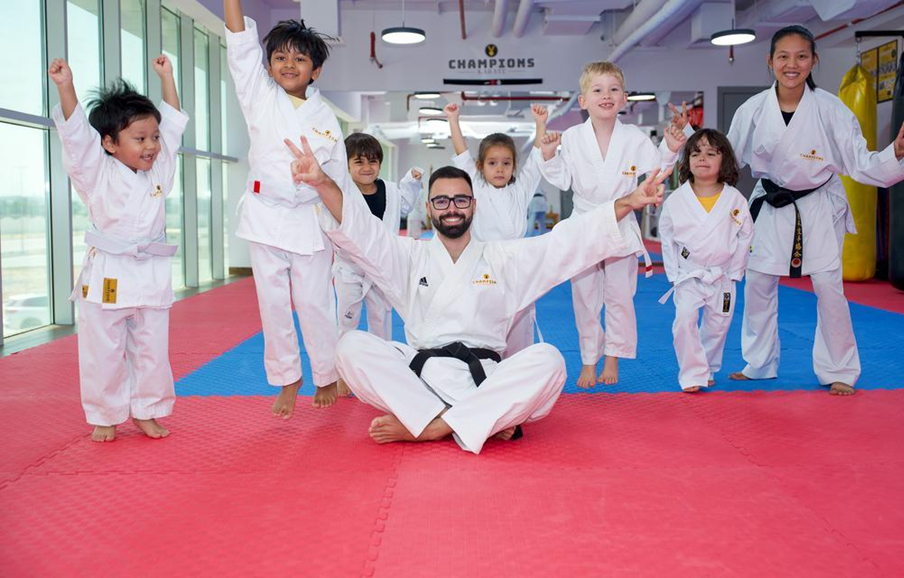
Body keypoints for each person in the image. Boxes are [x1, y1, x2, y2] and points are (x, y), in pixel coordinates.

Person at [285, 135, 670, 454]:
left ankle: (434, 425)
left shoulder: (504, 258)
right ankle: (480, 420)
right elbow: (361, 230)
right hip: (421, 378)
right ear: (429, 208)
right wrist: (322, 183)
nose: (451, 209)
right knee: (350, 346)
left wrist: (628, 202)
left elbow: (565, 243)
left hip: (485, 378)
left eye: (460, 200)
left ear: (474, 205)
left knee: (550, 360)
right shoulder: (409, 256)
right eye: (441, 201)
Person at [720, 25, 904, 396]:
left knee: (829, 288)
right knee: (759, 284)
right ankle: (759, 363)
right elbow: (727, 159)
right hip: (770, 204)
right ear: (770, 61)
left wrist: (894, 155)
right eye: (783, 56)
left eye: (801, 56)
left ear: (814, 61)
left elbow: (859, 161)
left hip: (817, 204)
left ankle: (839, 368)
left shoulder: (831, 109)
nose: (792, 64)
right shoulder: (752, 110)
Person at [221, 0, 344, 417]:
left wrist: (340, 220)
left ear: (316, 70)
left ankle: (326, 373)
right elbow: (239, 45)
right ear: (270, 65)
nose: (288, 63)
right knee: (273, 304)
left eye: (299, 57)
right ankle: (288, 378)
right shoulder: (259, 94)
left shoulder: (326, 118)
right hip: (265, 214)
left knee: (314, 303)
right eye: (280, 56)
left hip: (309, 220)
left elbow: (336, 181)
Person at [49, 56, 187, 442]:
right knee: (103, 351)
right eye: (140, 139)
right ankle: (105, 414)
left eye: (153, 138)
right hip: (108, 273)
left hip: (150, 272)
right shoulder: (96, 172)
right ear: (109, 143)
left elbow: (172, 123)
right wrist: (65, 86)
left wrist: (167, 77)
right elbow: (77, 135)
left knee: (152, 349)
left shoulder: (159, 169)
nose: (152, 146)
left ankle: (147, 410)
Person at [537, 61, 688, 388]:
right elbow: (562, 180)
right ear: (583, 101)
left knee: (620, 296)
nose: (606, 95)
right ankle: (588, 359)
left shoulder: (633, 137)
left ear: (624, 99)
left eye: (613, 89)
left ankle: (613, 356)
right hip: (585, 223)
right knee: (585, 297)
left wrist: (671, 148)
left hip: (621, 222)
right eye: (598, 90)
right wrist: (548, 155)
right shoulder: (573, 137)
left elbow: (656, 170)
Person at [443, 101, 544, 357]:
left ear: (513, 167)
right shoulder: (476, 187)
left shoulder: (520, 190)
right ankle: (485, 364)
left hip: (516, 264)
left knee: (519, 321)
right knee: (483, 321)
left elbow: (536, 159)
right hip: (482, 263)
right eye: (492, 163)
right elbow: (462, 153)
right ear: (480, 166)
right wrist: (453, 120)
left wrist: (540, 124)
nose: (500, 168)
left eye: (506, 163)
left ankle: (518, 365)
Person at [658, 128, 754, 392]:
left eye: (711, 153)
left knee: (718, 325)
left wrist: (736, 271)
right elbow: (667, 237)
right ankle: (692, 374)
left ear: (724, 161)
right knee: (684, 320)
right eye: (696, 153)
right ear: (687, 161)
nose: (702, 158)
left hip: (723, 273)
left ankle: (708, 367)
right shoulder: (677, 200)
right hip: (689, 273)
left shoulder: (734, 199)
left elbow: (745, 235)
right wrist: (673, 273)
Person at [334, 132, 423, 342]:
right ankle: (344, 356)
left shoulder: (390, 190)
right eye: (359, 162)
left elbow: (404, 205)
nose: (367, 167)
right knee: (347, 319)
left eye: (372, 161)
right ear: (346, 165)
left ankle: (383, 356)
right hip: (350, 268)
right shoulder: (342, 193)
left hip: (382, 266)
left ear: (380, 164)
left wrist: (411, 181)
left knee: (381, 319)